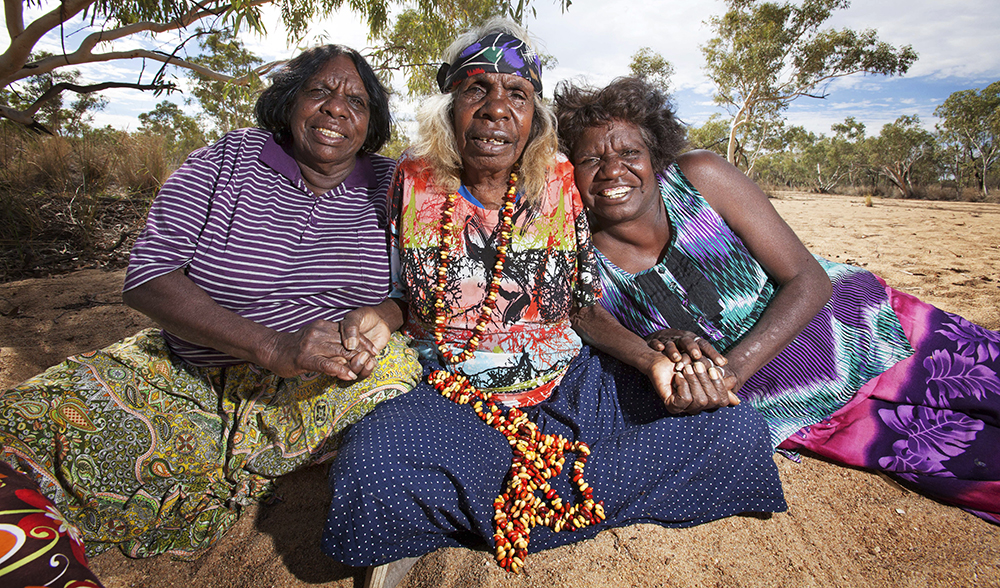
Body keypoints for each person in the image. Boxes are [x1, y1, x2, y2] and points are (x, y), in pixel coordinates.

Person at [320, 19, 786, 587]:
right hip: (455, 391)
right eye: (476, 89)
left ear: (534, 117)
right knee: (371, 463)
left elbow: (583, 308)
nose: (496, 109)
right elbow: (408, 299)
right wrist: (382, 315)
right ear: (450, 107)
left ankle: (480, 505)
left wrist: (650, 361)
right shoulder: (412, 180)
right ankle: (558, 491)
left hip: (570, 382)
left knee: (735, 432)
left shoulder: (559, 180)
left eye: (516, 94)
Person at [0, 45, 421, 587]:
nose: (337, 108)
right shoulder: (223, 162)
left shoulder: (396, 187)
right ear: (290, 101)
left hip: (323, 389)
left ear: (372, 122)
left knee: (402, 392)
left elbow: (433, 284)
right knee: (28, 425)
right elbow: (150, 275)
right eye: (319, 91)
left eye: (356, 101)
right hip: (186, 372)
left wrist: (386, 313)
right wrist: (271, 346)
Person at [553, 76, 1000, 525]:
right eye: (591, 159)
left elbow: (807, 279)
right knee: (977, 463)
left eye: (630, 153)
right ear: (570, 171)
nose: (612, 170)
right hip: (797, 406)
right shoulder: (576, 252)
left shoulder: (699, 177)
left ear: (655, 155)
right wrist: (658, 351)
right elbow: (586, 315)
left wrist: (732, 370)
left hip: (866, 326)